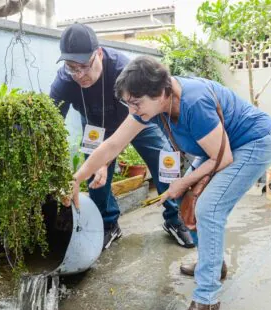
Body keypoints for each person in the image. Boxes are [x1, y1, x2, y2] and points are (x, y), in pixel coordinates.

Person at [67, 56, 271, 310]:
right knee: (185, 203)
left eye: (136, 103)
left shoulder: (193, 102)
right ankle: (213, 265)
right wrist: (77, 177)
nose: (132, 110)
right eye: (128, 103)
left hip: (254, 142)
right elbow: (113, 144)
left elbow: (224, 157)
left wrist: (183, 183)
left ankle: (206, 302)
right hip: (217, 149)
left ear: (162, 92)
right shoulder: (149, 107)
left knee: (208, 209)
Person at [50, 23, 193, 250]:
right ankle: (109, 224)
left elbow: (122, 135)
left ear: (98, 53)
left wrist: (105, 161)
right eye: (71, 68)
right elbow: (52, 121)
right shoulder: (65, 81)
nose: (79, 75)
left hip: (137, 120)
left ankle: (175, 219)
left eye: (84, 67)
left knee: (166, 161)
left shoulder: (121, 70)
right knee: (94, 176)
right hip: (96, 128)